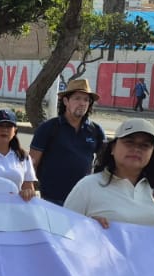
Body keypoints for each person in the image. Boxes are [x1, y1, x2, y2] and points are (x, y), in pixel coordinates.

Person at [63, 117, 154, 252]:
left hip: (149, 271)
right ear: (112, 148)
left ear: (152, 153)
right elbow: (62, 234)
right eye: (129, 142)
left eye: (145, 145)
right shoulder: (88, 186)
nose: (136, 149)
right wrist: (85, 230)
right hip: (99, 271)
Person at [30, 77, 105, 205]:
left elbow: (105, 162)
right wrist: (29, 186)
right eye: (77, 98)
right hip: (52, 199)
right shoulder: (48, 128)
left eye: (86, 100)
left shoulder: (96, 130)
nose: (82, 103)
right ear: (66, 101)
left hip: (84, 199)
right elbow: (32, 163)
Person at [0, 109, 38, 200]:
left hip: (14, 209)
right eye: (0, 125)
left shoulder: (23, 157)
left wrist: (27, 193)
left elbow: (29, 188)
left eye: (9, 126)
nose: (4, 129)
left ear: (15, 131)